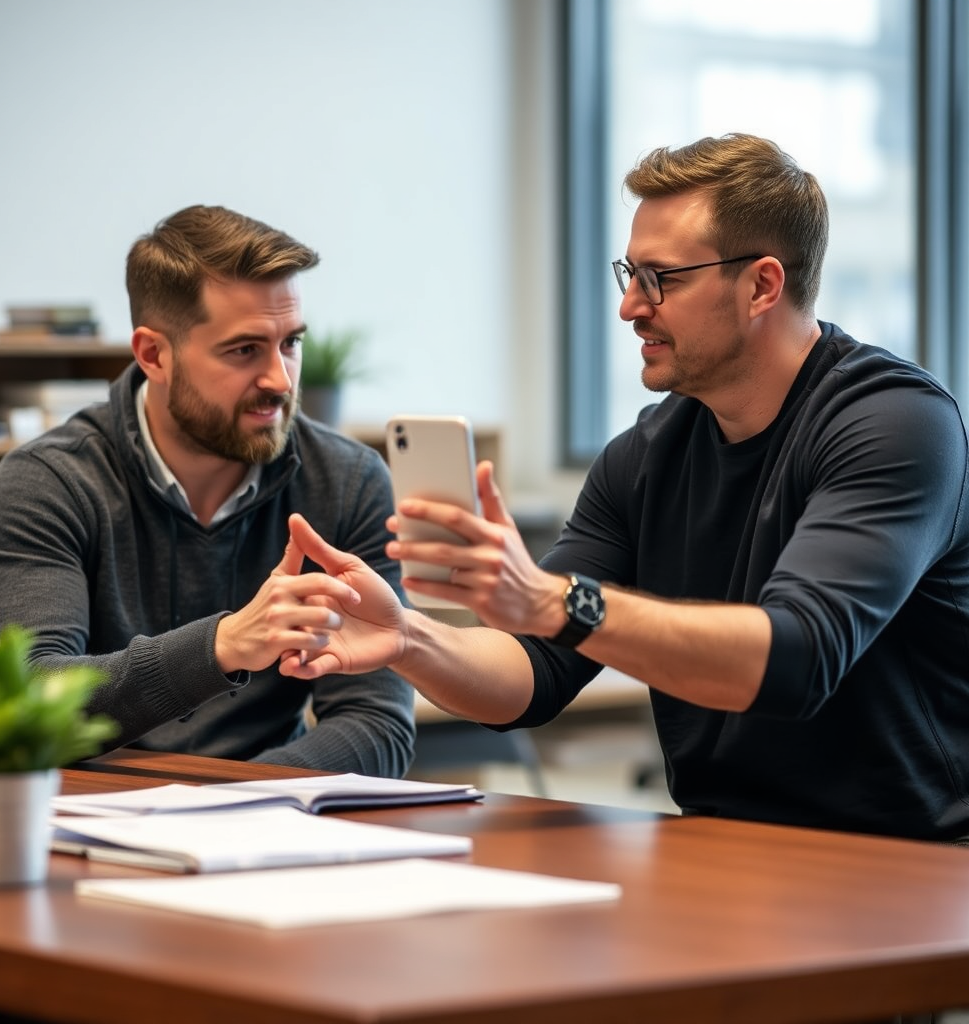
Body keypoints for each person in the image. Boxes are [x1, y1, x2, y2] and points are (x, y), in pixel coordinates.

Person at [277, 133, 969, 841]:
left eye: (661, 278)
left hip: (910, 861)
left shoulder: (895, 424)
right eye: (629, 275)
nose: (631, 307)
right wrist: (408, 637)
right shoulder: (645, 454)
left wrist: (552, 599)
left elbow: (798, 658)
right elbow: (534, 672)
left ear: (762, 285)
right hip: (722, 846)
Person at [0, 205, 415, 776]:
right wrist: (222, 645)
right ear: (154, 355)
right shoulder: (51, 480)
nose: (280, 381)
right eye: (244, 350)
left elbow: (376, 724)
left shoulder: (347, 481)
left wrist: (244, 803)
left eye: (290, 343)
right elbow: (36, 699)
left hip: (272, 817)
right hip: (91, 818)